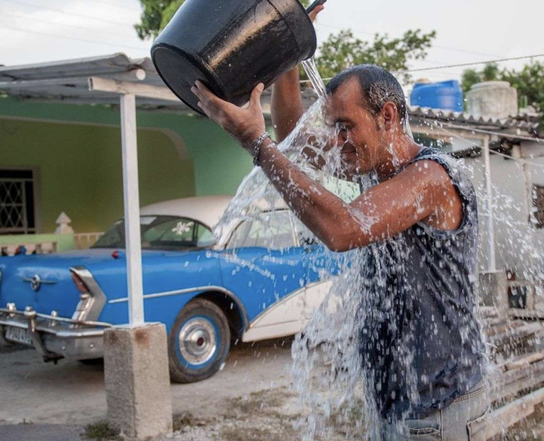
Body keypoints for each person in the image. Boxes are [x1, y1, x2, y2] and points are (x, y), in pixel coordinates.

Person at [190, 9, 487, 440]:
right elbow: (292, 137)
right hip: (398, 402)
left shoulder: (431, 177)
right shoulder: (371, 164)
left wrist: (254, 141)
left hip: (441, 410)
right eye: (333, 128)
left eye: (346, 127)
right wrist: (288, 49)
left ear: (388, 116)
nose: (337, 142)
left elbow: (344, 229)